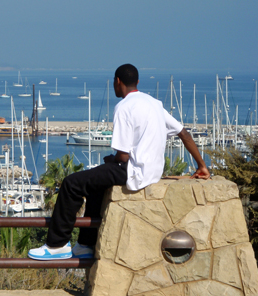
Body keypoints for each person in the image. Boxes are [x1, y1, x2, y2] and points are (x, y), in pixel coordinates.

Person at [28, 64, 210, 261]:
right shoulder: (154, 103)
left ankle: (57, 245)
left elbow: (122, 157)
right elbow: (184, 134)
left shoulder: (124, 107)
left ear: (117, 82)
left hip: (132, 170)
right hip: (153, 171)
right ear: (137, 82)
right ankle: (85, 245)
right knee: (95, 185)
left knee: (72, 184)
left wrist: (111, 159)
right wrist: (202, 166)